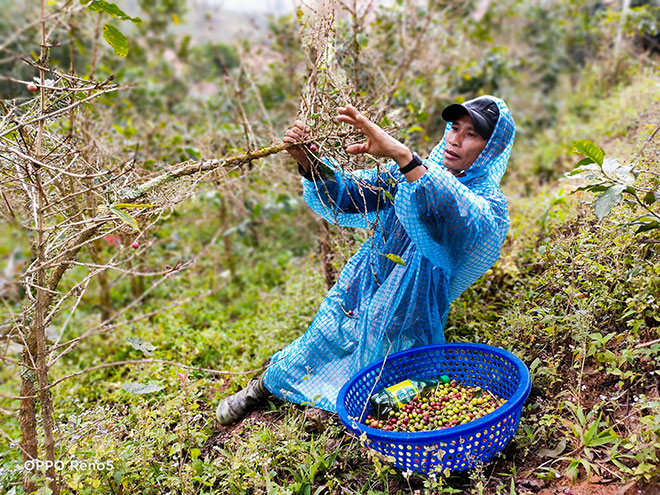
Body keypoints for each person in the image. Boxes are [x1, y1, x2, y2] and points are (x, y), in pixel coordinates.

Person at [216, 95, 515, 425]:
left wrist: (404, 155)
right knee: (322, 340)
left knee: (394, 374)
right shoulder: (406, 172)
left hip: (413, 304)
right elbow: (349, 196)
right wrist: (310, 163)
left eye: (471, 134)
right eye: (455, 128)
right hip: (366, 279)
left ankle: (340, 406)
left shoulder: (489, 205)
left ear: (492, 148)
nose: (455, 140)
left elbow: (455, 210)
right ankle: (262, 388)